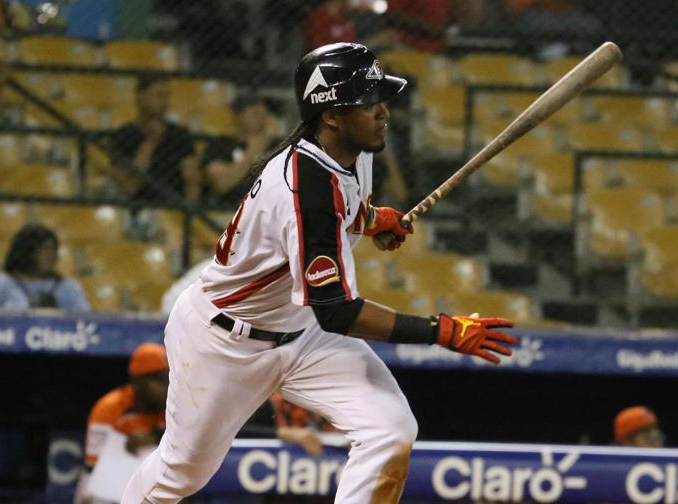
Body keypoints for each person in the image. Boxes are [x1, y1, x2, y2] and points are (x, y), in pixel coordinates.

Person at [121, 42, 517, 504]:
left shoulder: (354, 149)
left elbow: (340, 205)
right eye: (368, 102)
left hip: (300, 331)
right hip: (227, 343)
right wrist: (440, 330)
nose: (383, 111)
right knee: (183, 472)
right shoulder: (301, 186)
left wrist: (371, 220)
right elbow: (337, 311)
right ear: (331, 114)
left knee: (389, 430)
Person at [76, 343, 170, 504]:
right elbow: (94, 468)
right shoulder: (109, 408)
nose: (168, 387)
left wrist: (152, 438)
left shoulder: (170, 406)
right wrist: (125, 446)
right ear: (140, 381)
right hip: (107, 490)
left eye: (170, 378)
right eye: (161, 380)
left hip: (151, 489)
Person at [109, 77, 199, 205]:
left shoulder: (180, 135)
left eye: (167, 96)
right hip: (136, 207)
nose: (165, 102)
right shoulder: (122, 135)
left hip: (174, 207)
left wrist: (188, 213)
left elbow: (192, 181)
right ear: (140, 98)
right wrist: (150, 142)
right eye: (159, 95)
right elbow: (128, 187)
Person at [0, 224, 90, 311]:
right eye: (46, 249)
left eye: (54, 250)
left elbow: (86, 322)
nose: (52, 255)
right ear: (27, 251)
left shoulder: (68, 287)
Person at [200, 95, 281, 207]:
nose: (262, 118)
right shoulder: (221, 144)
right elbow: (221, 184)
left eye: (265, 114)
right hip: (226, 211)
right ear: (237, 116)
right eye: (255, 113)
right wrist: (252, 153)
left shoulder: (278, 146)